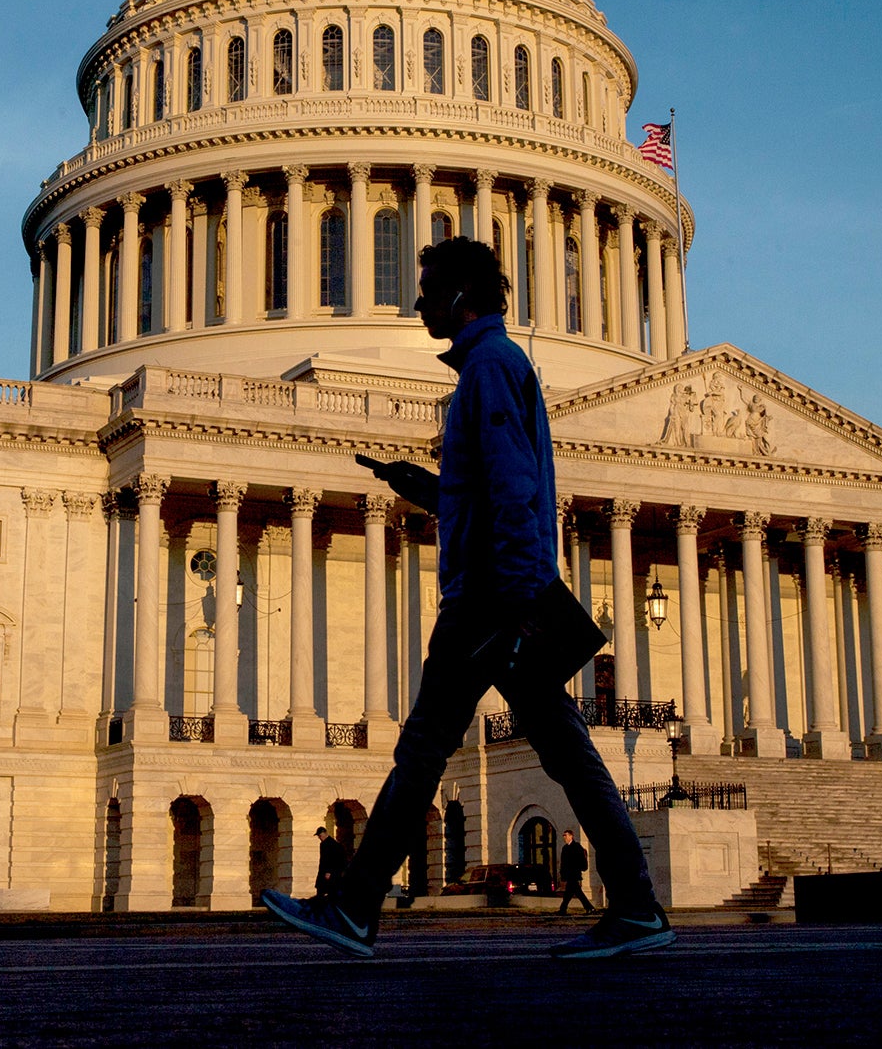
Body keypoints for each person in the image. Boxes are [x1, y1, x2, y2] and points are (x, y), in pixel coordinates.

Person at [261, 236, 674, 960]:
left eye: (428, 290)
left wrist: (515, 603)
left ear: (462, 295)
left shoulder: (487, 369)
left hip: (489, 599)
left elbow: (515, 492)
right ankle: (637, 905)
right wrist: (423, 485)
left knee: (423, 748)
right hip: (503, 591)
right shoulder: (497, 367)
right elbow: (491, 490)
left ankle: (356, 907)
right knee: (569, 755)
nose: (417, 302)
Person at [556, 829, 594, 916]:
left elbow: (580, 860)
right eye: (564, 835)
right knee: (571, 892)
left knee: (573, 892)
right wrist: (563, 873)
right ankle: (564, 909)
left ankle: (564, 909)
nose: (564, 837)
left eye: (566, 835)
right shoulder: (565, 848)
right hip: (569, 874)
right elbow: (563, 862)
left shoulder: (577, 847)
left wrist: (578, 868)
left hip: (574, 873)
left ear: (571, 836)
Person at [314, 826, 345, 900]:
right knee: (322, 892)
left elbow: (333, 859)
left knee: (329, 892)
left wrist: (329, 871)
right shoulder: (325, 844)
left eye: (320, 835)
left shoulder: (332, 844)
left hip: (330, 873)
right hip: (325, 872)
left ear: (325, 833)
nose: (319, 837)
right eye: (319, 836)